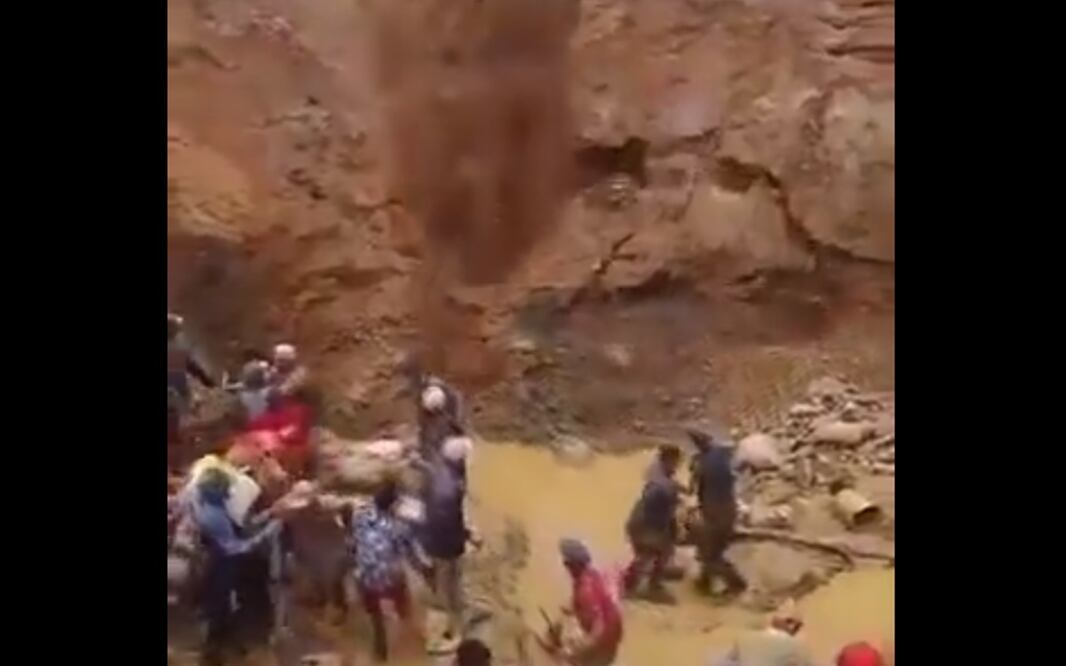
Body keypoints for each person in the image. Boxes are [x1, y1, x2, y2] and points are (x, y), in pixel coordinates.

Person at [191, 468, 282, 666]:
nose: (229, 492)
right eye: (225, 487)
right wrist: (267, 532)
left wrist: (268, 515)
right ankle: (212, 655)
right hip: (218, 571)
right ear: (215, 488)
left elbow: (240, 527)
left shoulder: (210, 507)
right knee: (217, 612)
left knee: (223, 612)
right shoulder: (213, 516)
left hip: (220, 569)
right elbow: (235, 547)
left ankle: (223, 648)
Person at [350, 479, 425, 662]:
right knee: (403, 600)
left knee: (375, 614)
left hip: (366, 577)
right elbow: (412, 554)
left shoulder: (360, 517)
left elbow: (355, 540)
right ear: (394, 504)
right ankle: (409, 633)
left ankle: (380, 646)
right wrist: (425, 568)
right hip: (389, 578)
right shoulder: (398, 527)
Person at [420, 433, 479, 647]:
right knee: (450, 584)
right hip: (445, 545)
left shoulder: (437, 472)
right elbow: (450, 522)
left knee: (447, 583)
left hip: (433, 538)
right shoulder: (451, 488)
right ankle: (456, 629)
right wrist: (468, 535)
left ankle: (454, 619)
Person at [689, 429, 746, 597]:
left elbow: (695, 490)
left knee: (711, 555)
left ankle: (737, 584)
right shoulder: (722, 454)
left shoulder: (702, 465)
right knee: (711, 549)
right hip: (729, 509)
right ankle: (704, 582)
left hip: (715, 513)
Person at [623, 445, 682, 602]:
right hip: (646, 524)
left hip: (638, 518)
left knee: (652, 554)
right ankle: (645, 588)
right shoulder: (664, 487)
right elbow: (667, 512)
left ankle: (634, 585)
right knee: (654, 553)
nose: (678, 466)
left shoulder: (655, 471)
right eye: (676, 462)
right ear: (669, 461)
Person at [553, 538, 623, 666]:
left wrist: (576, 652)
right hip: (612, 639)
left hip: (602, 643)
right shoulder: (593, 575)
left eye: (566, 563)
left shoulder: (585, 590)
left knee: (564, 659)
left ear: (570, 565)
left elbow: (599, 628)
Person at [714, 599, 814, 666]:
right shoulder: (795, 645)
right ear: (790, 624)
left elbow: (722, 662)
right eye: (797, 626)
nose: (796, 629)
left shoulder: (745, 638)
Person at [168, 314, 216, 445]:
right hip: (178, 387)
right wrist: (208, 381)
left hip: (175, 387)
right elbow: (193, 368)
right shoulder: (180, 349)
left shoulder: (180, 349)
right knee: (180, 417)